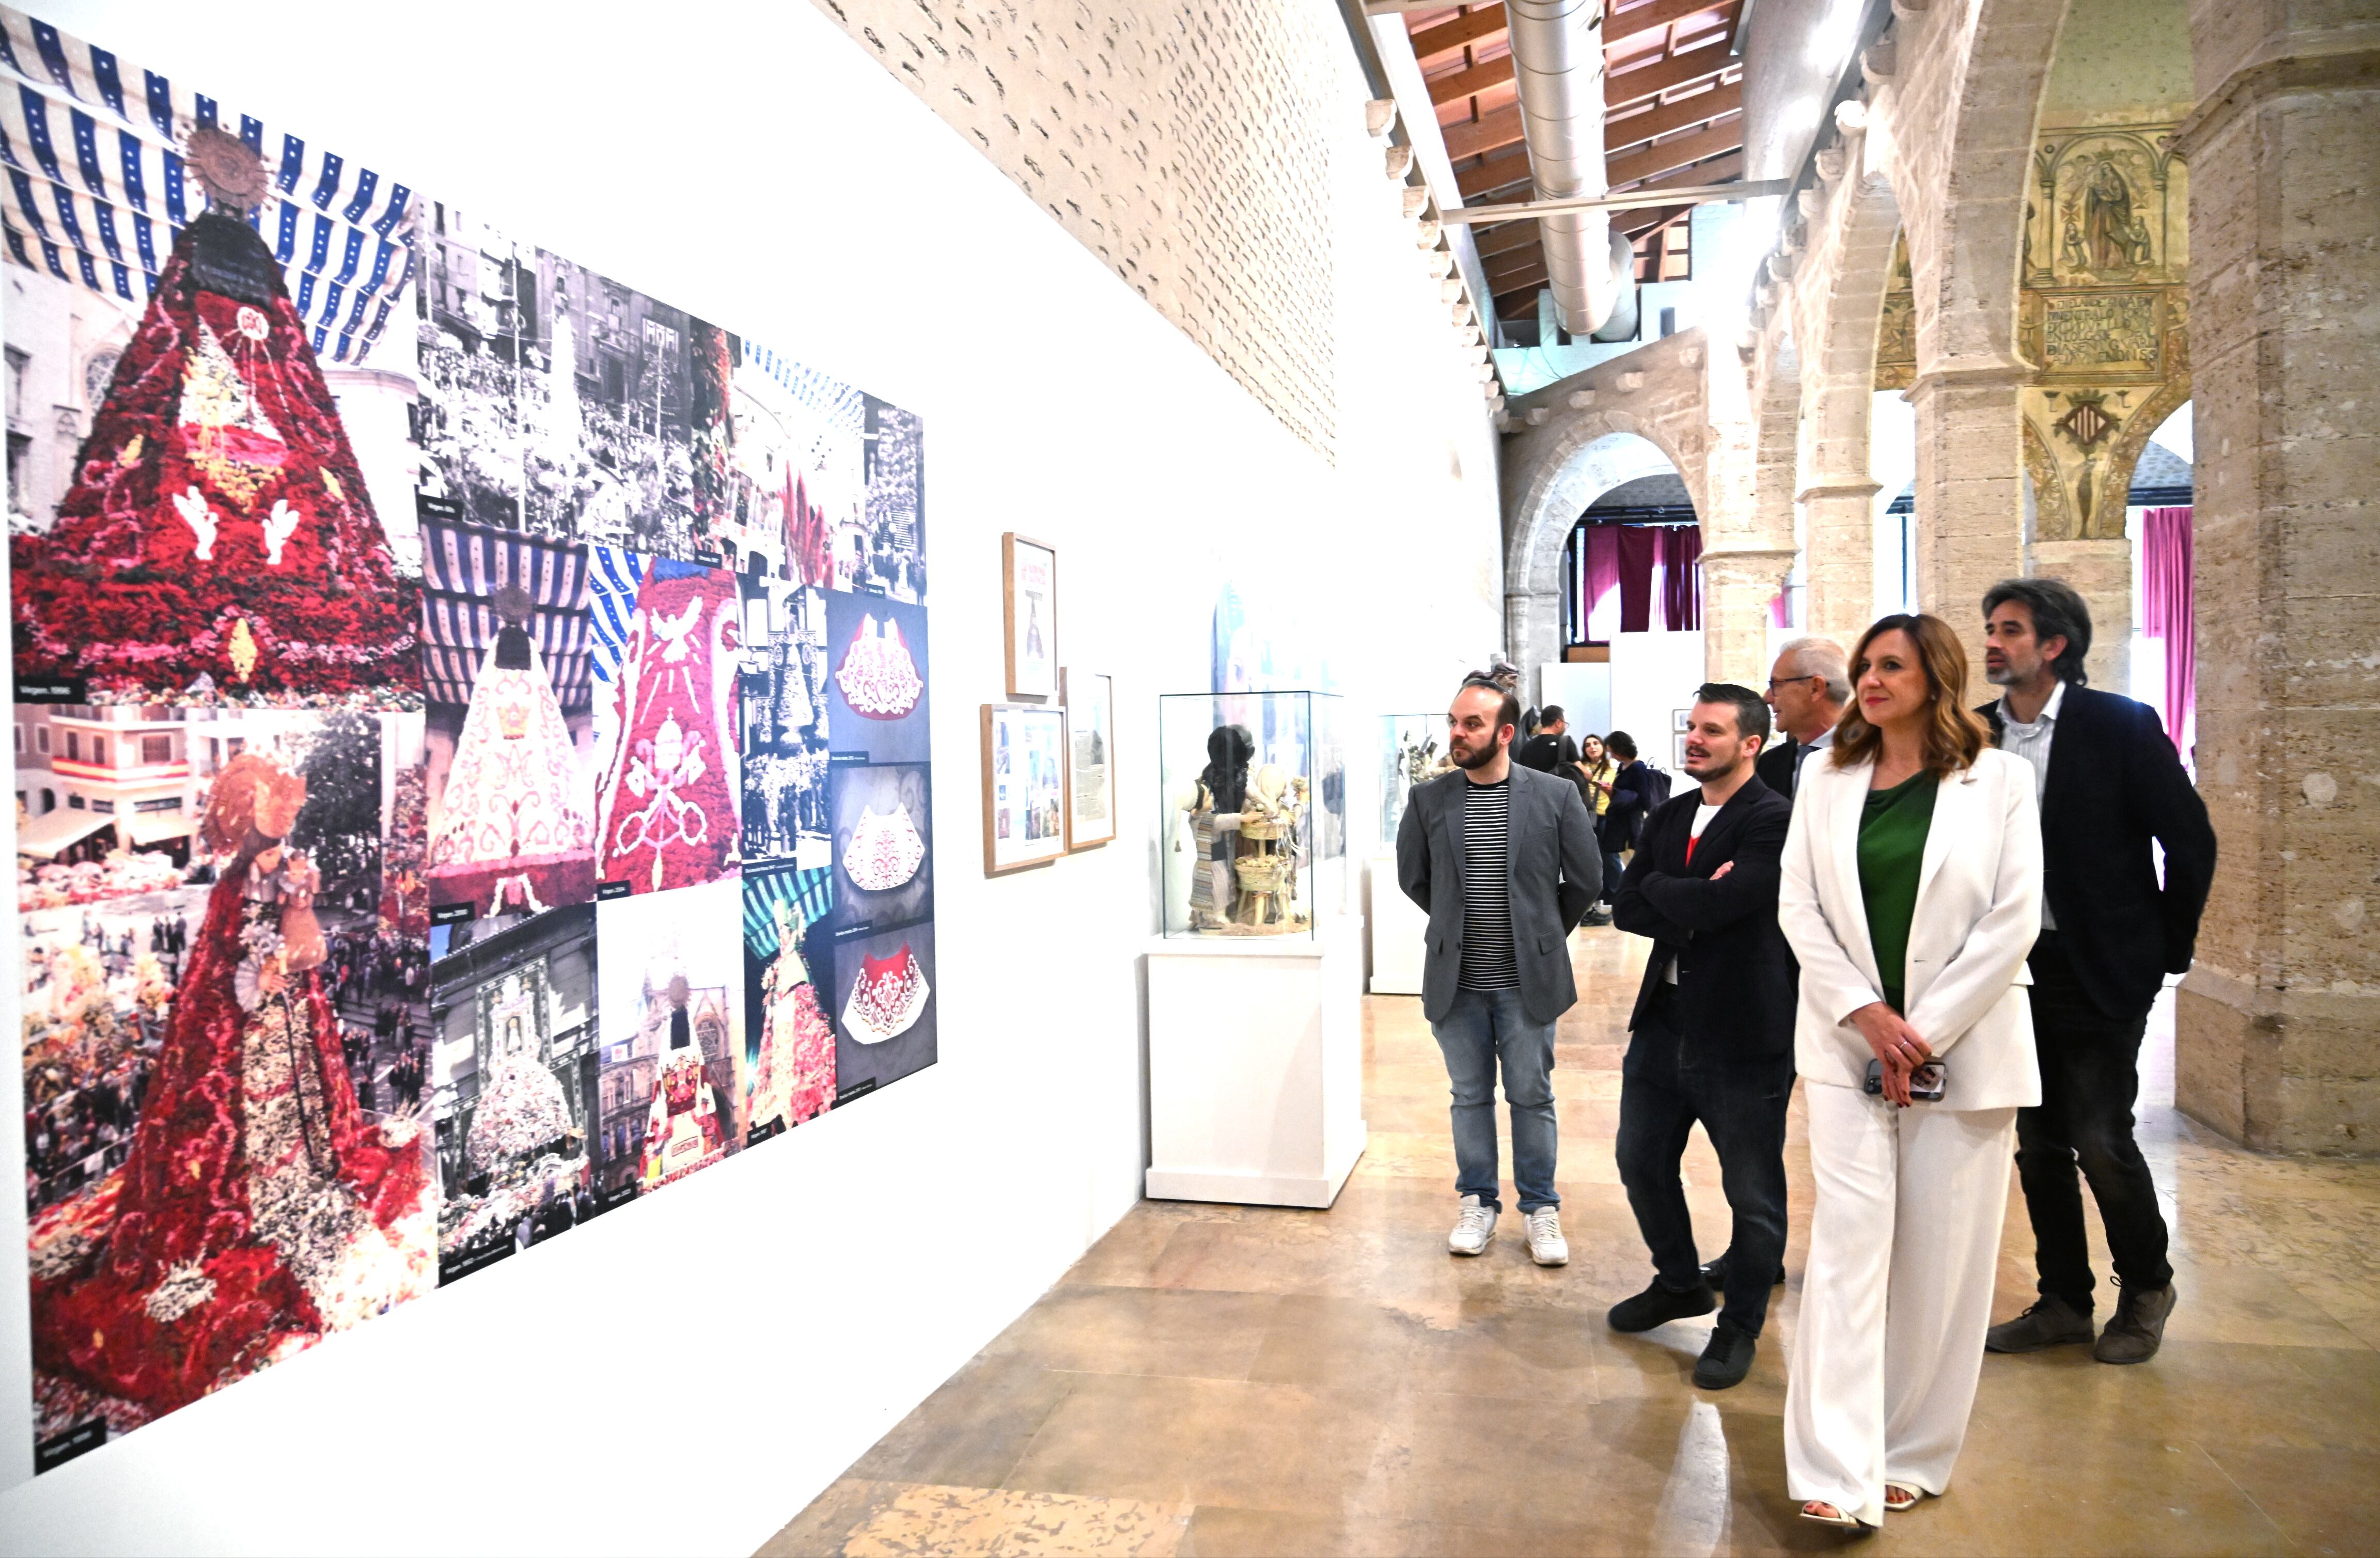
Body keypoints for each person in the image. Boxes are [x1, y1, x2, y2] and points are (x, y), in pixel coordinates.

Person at [1778, 613, 2043, 1530]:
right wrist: (1866, 1012)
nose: (1870, 679)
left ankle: (1913, 1450)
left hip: (1964, 1050)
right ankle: (1831, 1467)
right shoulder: (1824, 774)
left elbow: (2012, 917)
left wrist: (1919, 1032)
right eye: (1862, 666)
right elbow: (1798, 904)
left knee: (1941, 1258)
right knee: (1847, 1252)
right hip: (1847, 1041)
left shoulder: (1999, 779)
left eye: (1889, 665)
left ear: (1935, 675)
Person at [1976, 577, 2216, 1365]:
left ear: (2054, 645)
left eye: (2009, 629)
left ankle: (2146, 1287)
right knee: (2037, 1141)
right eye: (1990, 627)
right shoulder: (1975, 736)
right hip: (2012, 968)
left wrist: (2165, 949)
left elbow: (2190, 841)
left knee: (2100, 1135)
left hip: (2101, 964)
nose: (1992, 640)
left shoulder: (2118, 725)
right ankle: (2062, 1302)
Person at [1607, 684, 1797, 1389]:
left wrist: (1667, 888)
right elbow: (1624, 903)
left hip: (1743, 1032)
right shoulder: (1674, 811)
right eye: (1692, 727)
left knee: (1753, 1193)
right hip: (1664, 1023)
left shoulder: (1773, 819)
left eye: (1712, 731)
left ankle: (1739, 1323)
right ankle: (1679, 1280)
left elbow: (1734, 902)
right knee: (1639, 1161)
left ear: (1751, 743)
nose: (1695, 739)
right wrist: (1690, 896)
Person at [1397, 673, 1602, 1266]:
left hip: (1526, 983)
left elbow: (1586, 879)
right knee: (1468, 1096)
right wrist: (1455, 927)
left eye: (1472, 724)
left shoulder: (1554, 794)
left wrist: (1542, 934)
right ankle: (1477, 1201)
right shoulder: (1430, 799)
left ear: (1505, 732)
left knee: (1531, 1095)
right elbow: (1415, 878)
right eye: (1454, 722)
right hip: (1456, 983)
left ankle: (1540, 1207)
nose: (1458, 734)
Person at [1758, 637, 1851, 801]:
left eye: (1776, 684)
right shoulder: (1769, 765)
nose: (1767, 698)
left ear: (1815, 689)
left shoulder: (1872, 755)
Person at [1575, 734, 1621, 927]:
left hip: (1607, 816)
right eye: (1587, 745)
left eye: (1596, 744)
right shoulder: (1580, 768)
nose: (1592, 748)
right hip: (1586, 817)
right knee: (1592, 860)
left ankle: (1618, 899)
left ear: (1603, 746)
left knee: (1611, 859)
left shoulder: (1613, 766)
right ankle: (1597, 903)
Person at [1513, 705, 1579, 773]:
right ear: (1558, 723)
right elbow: (1580, 771)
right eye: (1565, 724)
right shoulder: (1565, 742)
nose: (1565, 728)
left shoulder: (1525, 747)